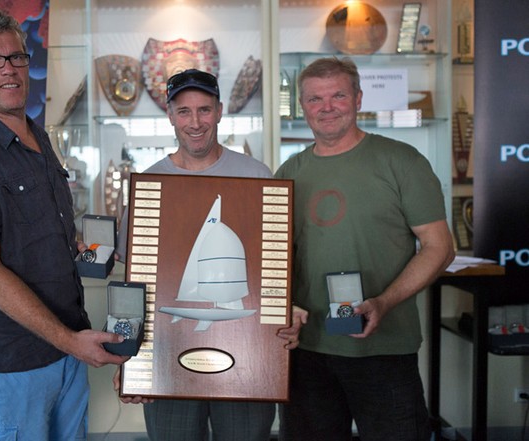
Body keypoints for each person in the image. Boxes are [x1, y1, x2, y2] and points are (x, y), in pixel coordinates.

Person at [0, 9, 128, 440]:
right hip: (5, 368)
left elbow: (42, 238)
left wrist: (88, 250)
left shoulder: (39, 140)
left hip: (64, 354)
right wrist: (72, 343)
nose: (10, 69)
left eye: (16, 57)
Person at [113, 68, 308, 441]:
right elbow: (133, 286)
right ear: (170, 116)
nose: (195, 122)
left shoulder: (258, 176)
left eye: (204, 110)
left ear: (220, 111)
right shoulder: (149, 185)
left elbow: (274, 271)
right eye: (184, 111)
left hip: (248, 363)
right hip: (165, 363)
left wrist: (288, 309)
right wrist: (128, 358)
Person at [274, 57, 455, 441]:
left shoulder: (401, 161)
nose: (326, 107)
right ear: (302, 107)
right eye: (314, 99)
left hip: (384, 348)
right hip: (308, 350)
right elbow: (276, 257)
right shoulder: (288, 173)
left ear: (358, 98)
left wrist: (385, 301)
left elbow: (440, 247)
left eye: (338, 95)